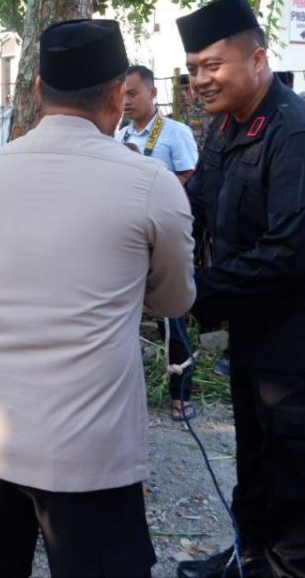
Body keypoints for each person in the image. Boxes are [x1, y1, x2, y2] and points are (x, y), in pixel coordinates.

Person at [0, 18, 196, 578]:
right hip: (86, 446)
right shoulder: (150, 183)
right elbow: (175, 299)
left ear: (37, 90)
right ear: (118, 93)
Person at [175, 0, 305, 578]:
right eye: (192, 70)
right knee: (257, 455)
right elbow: (195, 208)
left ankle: (296, 568)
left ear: (257, 59)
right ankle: (250, 556)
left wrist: (190, 294)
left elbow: (283, 255)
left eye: (213, 65)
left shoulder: (299, 136)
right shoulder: (225, 129)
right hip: (258, 332)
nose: (200, 81)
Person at [117, 64, 199, 421]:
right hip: (126, 238)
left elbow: (188, 175)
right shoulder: (119, 136)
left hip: (161, 235)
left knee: (172, 317)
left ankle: (182, 392)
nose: (126, 101)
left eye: (133, 93)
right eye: (122, 94)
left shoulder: (174, 133)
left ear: (153, 93)